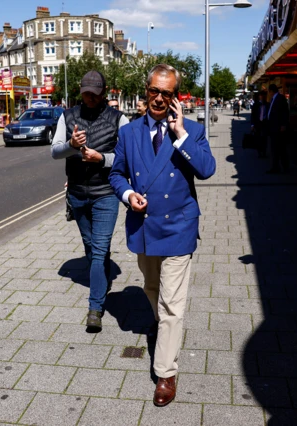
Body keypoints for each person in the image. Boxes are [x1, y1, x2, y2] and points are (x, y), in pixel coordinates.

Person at [109, 64, 216, 407]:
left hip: (178, 226)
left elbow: (207, 169)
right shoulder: (129, 133)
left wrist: (181, 133)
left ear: (175, 98)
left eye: (166, 93)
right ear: (146, 91)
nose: (158, 98)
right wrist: (128, 195)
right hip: (144, 226)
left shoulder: (193, 131)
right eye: (154, 91)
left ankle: (166, 372)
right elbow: (117, 174)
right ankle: (163, 329)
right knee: (151, 288)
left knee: (172, 304)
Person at [51, 70, 128, 331]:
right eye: (86, 93)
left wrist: (102, 159)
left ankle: (95, 307)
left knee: (99, 248)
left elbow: (129, 158)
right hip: (77, 194)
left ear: (104, 92)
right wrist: (72, 144)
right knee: (92, 247)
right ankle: (101, 281)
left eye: (95, 94)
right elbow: (54, 152)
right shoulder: (68, 115)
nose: (90, 98)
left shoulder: (119, 119)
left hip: (106, 192)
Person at [266, 83, 290, 173]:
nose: (268, 93)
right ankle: (275, 167)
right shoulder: (273, 99)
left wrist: (283, 125)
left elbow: (284, 112)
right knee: (274, 148)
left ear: (271, 91)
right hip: (273, 127)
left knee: (280, 148)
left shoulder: (280, 98)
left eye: (269, 91)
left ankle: (284, 166)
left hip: (278, 127)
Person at [250, 91, 269, 158]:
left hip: (265, 124)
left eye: (264, 96)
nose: (263, 97)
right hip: (257, 124)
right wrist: (252, 125)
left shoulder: (268, 104)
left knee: (264, 138)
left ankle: (264, 152)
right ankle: (259, 152)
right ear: (259, 97)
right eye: (261, 96)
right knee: (258, 138)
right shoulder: (256, 105)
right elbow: (252, 115)